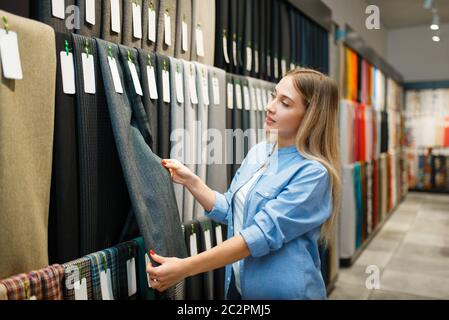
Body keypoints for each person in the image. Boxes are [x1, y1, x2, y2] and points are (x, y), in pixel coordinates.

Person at [146, 68, 341, 300]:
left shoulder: (313, 174)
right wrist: (191, 181)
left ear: (311, 116)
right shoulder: (260, 152)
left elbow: (258, 236)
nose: (270, 107)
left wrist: (185, 268)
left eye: (285, 103)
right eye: (274, 96)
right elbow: (232, 210)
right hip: (238, 289)